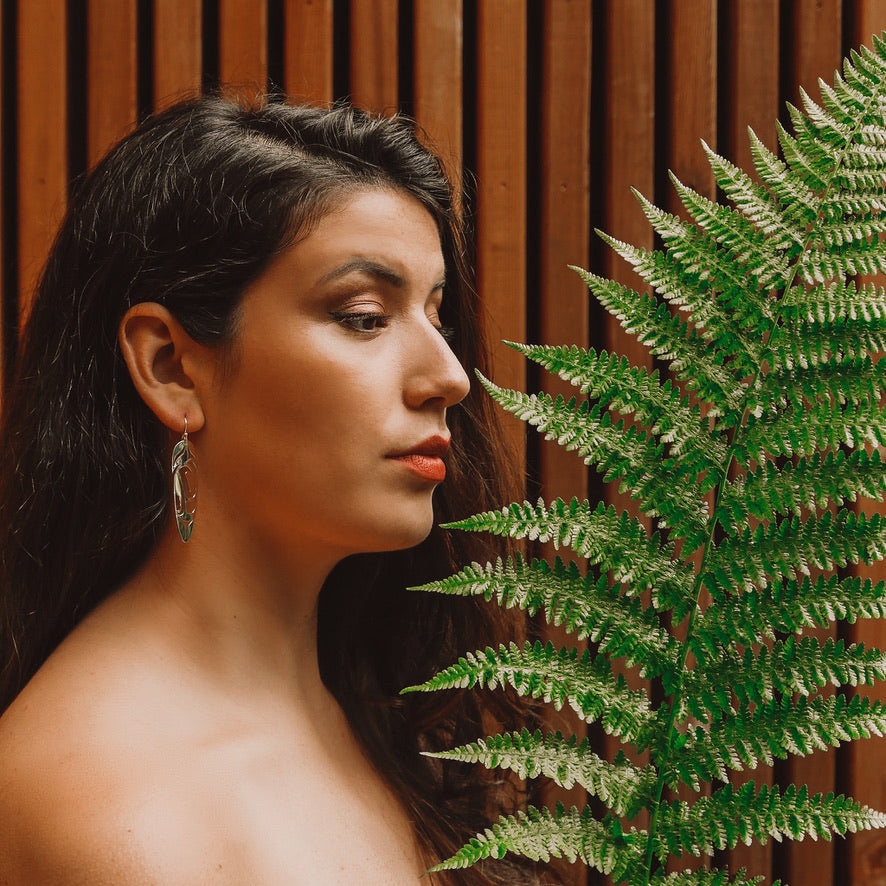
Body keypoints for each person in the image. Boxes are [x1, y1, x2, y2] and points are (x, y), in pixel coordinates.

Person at [0, 96, 546, 884]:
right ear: (171, 368)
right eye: (363, 316)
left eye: (437, 317)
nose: (450, 378)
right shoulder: (125, 809)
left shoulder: (366, 706)